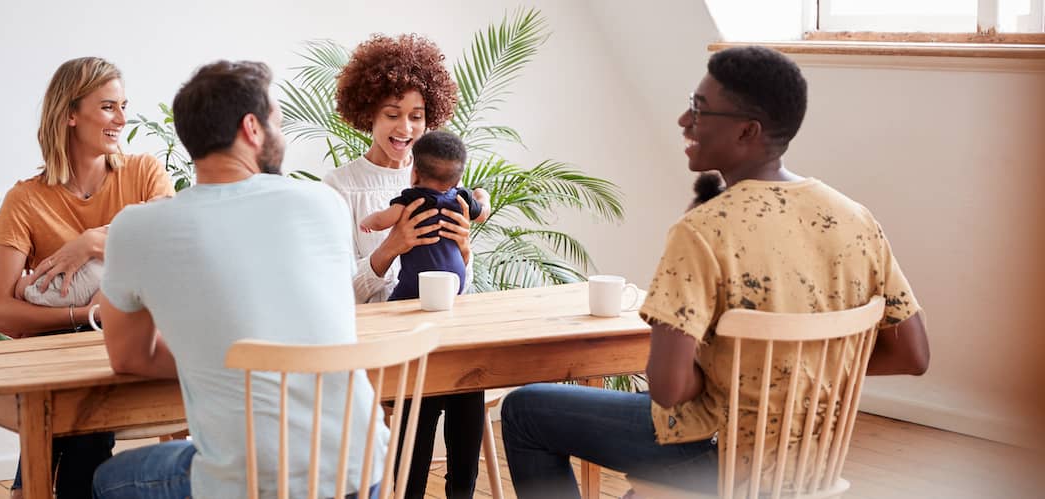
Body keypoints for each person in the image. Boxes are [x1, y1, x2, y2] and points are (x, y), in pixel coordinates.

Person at [500, 45, 931, 499]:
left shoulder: (704, 230)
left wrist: (737, 382)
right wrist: (794, 383)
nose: (685, 122)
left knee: (525, 410)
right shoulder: (855, 219)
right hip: (807, 456)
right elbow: (913, 356)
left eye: (699, 110)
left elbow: (668, 388)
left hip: (718, 457)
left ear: (748, 130)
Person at [90, 60, 388, 499]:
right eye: (278, 122)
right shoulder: (323, 204)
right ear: (252, 128)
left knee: (106, 480)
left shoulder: (137, 228)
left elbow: (129, 356)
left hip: (250, 483)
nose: (281, 135)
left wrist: (220, 359)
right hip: (361, 471)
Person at [0, 56, 174, 499]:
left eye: (124, 105)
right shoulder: (26, 199)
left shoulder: (143, 173)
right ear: (70, 114)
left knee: (83, 408)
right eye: (108, 107)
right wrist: (86, 312)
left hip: (129, 346)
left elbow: (172, 247)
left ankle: (25, 485)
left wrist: (90, 242)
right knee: (84, 413)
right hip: (60, 362)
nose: (122, 119)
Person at [322, 33, 490, 499]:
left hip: (435, 331)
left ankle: (457, 492)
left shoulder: (437, 176)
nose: (406, 128)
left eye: (416, 116)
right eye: (393, 115)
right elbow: (341, 295)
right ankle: (411, 489)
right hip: (377, 339)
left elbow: (458, 283)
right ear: (368, 115)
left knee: (467, 371)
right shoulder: (340, 188)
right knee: (439, 379)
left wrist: (465, 251)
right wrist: (389, 248)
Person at [359, 131, 491, 300]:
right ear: (458, 180)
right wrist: (482, 196)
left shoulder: (412, 200)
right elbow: (483, 214)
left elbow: (381, 220)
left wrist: (367, 222)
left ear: (414, 173)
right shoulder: (461, 199)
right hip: (455, 281)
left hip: (417, 281)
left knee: (395, 304)